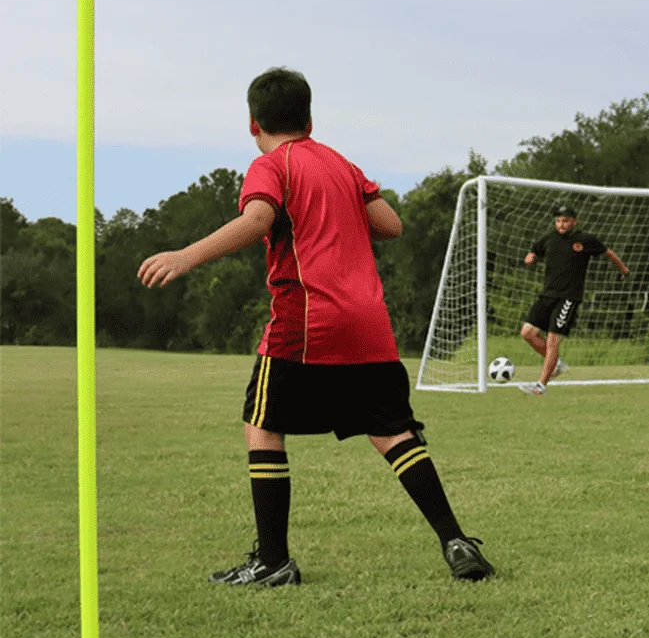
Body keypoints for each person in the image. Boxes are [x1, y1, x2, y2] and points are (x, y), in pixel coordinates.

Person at [138, 67, 494, 585]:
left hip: (309, 319)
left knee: (262, 424)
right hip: (370, 323)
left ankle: (274, 561)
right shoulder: (340, 163)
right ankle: (455, 540)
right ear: (309, 117)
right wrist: (344, 203)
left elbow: (258, 220)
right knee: (393, 432)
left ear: (252, 122)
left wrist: (186, 255)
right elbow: (391, 225)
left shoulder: (271, 165)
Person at [519, 203, 629, 396]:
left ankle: (541, 385)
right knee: (527, 332)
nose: (561, 224)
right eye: (558, 220)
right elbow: (534, 250)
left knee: (553, 339)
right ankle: (557, 364)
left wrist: (623, 269)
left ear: (574, 222)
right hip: (547, 295)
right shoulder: (548, 239)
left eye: (565, 220)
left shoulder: (585, 240)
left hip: (568, 298)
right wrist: (530, 257)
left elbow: (608, 253)